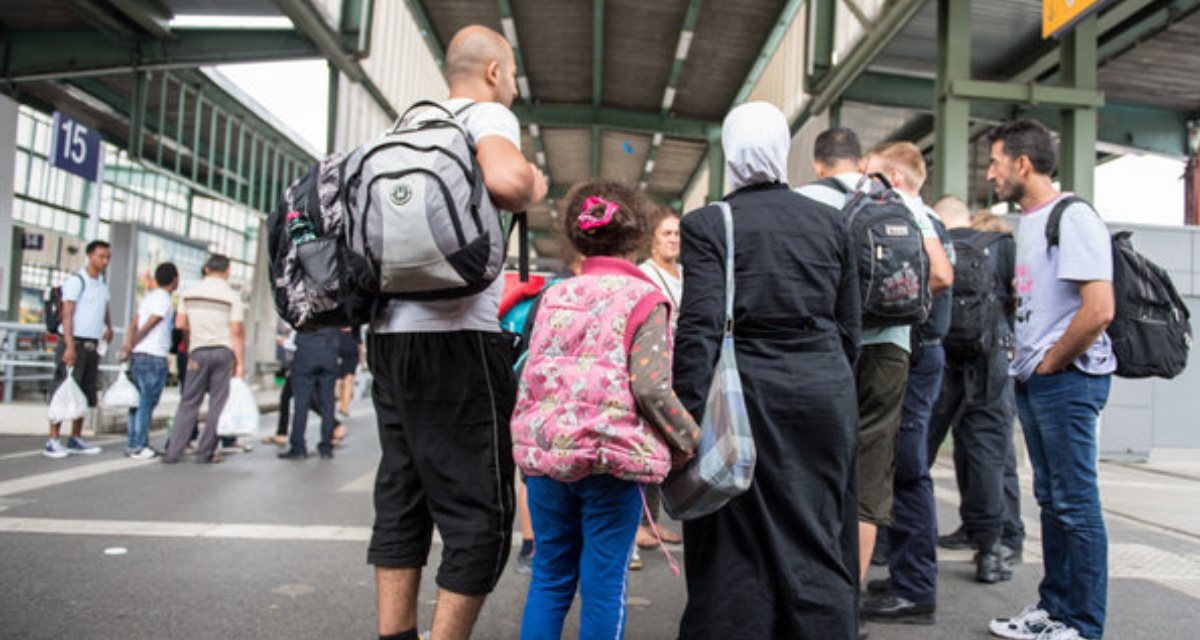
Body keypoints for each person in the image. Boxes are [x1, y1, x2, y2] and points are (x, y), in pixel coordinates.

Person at [366, 25, 547, 640]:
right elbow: (509, 183)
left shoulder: (402, 126)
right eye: (513, 73)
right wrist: (536, 182)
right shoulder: (486, 116)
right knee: (481, 514)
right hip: (458, 336)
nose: (514, 85)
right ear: (494, 71)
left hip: (388, 335)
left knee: (402, 494)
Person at [675, 103, 861, 639]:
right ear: (782, 150)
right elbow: (849, 325)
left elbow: (700, 328)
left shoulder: (710, 223)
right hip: (824, 387)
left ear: (731, 152)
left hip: (746, 394)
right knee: (818, 530)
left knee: (733, 539)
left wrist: (686, 421)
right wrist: (829, 380)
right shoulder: (833, 221)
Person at [511, 178, 698, 640]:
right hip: (610, 461)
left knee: (550, 579)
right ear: (637, 237)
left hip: (549, 458)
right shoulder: (645, 299)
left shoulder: (553, 295)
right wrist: (689, 438)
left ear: (577, 236)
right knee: (603, 587)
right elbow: (652, 388)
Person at [796, 129, 952, 627]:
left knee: (813, 465)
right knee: (870, 475)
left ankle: (807, 592)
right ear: (859, 161)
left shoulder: (804, 199)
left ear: (819, 163)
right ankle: (847, 607)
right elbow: (941, 273)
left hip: (828, 345)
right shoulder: (900, 202)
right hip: (891, 349)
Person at [985, 120, 1114, 640]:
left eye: (995, 162)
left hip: (1068, 379)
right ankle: (1054, 610)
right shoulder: (1029, 221)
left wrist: (1050, 362)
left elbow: (1099, 309)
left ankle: (1082, 624)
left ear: (1022, 163)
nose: (989, 174)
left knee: (1076, 503)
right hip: (1038, 379)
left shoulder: (1072, 216)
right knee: (1053, 501)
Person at [859, 142, 954, 626]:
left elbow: (940, 275)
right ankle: (904, 574)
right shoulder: (929, 218)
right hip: (924, 354)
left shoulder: (908, 213)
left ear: (894, 178)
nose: (866, 184)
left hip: (915, 354)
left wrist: (895, 305)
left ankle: (915, 590)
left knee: (909, 471)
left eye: (873, 175)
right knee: (898, 467)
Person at [926, 200, 1026, 584]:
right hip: (990, 358)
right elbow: (1021, 298)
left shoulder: (933, 241)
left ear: (940, 218)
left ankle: (890, 543)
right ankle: (989, 551)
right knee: (987, 454)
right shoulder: (1002, 246)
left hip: (941, 356)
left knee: (918, 450)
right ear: (967, 217)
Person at [163, 254, 245, 464]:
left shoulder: (189, 293)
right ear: (227, 272)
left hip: (198, 351)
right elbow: (236, 331)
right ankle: (205, 452)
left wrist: (197, 332)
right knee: (217, 403)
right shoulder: (232, 296)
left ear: (206, 269)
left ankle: (173, 452)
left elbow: (179, 324)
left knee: (189, 402)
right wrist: (240, 363)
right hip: (223, 352)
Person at [635, 207, 684, 554]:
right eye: (666, 233)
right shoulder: (644, 274)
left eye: (677, 233)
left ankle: (653, 519)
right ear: (652, 237)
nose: (673, 239)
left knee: (664, 447)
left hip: (682, 366)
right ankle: (638, 524)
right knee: (646, 444)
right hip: (655, 367)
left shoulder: (685, 274)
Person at [44, 240, 112, 459]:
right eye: (101, 256)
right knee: (62, 389)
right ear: (90, 256)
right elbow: (67, 315)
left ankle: (75, 437)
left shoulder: (101, 283)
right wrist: (70, 346)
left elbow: (105, 307)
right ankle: (53, 439)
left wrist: (109, 327)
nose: (105, 261)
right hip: (74, 342)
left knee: (84, 391)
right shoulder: (77, 281)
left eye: (107, 257)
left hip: (92, 344)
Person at [119, 262, 179, 459]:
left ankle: (133, 442)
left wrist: (129, 345)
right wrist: (134, 342)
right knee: (147, 403)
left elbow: (133, 324)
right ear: (175, 280)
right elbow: (151, 323)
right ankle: (140, 444)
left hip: (139, 356)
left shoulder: (149, 298)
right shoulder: (164, 299)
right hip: (153, 356)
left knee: (136, 402)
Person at [279, 326, 341, 460]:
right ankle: (326, 447)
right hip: (329, 353)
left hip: (306, 352)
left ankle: (298, 447)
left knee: (301, 403)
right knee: (328, 403)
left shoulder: (304, 310)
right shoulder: (334, 311)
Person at [335, 325, 362, 423]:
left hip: (352, 355)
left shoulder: (355, 326)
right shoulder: (336, 326)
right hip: (339, 356)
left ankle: (345, 407)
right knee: (340, 382)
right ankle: (341, 403)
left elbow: (360, 342)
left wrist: (362, 359)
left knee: (349, 379)